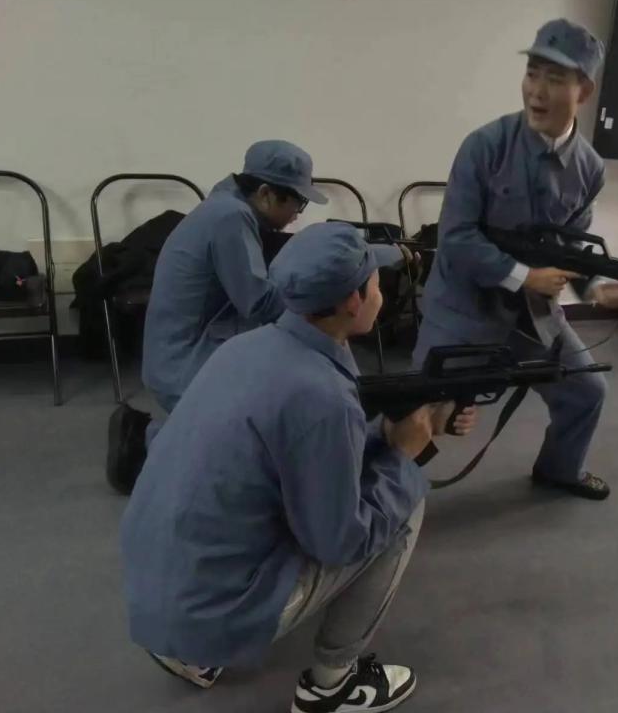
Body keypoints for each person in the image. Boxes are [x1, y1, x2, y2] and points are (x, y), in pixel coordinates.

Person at [120, 222, 475, 712]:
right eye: (377, 283)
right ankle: (333, 686)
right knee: (403, 504)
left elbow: (308, 451)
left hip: (159, 586)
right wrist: (404, 456)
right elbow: (341, 541)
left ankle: (189, 654)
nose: (382, 293)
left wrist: (398, 433)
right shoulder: (322, 395)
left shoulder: (245, 347)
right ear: (353, 300)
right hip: (211, 608)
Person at [415, 18, 618, 501]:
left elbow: (570, 248)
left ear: (583, 91)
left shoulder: (590, 169)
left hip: (531, 318)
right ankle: (375, 501)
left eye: (554, 78)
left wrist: (595, 287)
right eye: (533, 73)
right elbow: (456, 238)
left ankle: (560, 469)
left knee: (586, 391)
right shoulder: (484, 146)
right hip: (463, 310)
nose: (537, 90)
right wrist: (523, 275)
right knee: (418, 412)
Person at [106, 140, 325, 494]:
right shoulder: (231, 218)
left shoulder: (225, 206)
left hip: (181, 350)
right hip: (184, 364)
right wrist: (326, 290)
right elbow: (259, 302)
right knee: (253, 457)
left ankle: (167, 433)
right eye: (298, 201)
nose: (298, 213)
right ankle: (146, 441)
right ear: (265, 193)